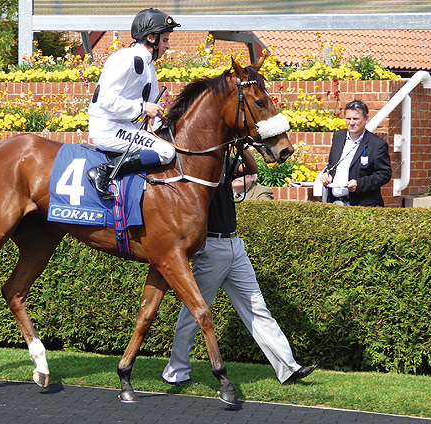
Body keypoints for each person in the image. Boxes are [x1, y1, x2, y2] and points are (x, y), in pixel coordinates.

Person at [162, 150, 317, 387]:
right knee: (194, 312)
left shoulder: (224, 158)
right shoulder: (197, 164)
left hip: (235, 245)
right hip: (211, 247)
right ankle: (176, 371)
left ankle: (288, 367)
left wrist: (241, 146)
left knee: (257, 307)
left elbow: (252, 169)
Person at [86, 8, 180, 199]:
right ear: (151, 38)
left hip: (124, 126)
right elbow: (106, 99)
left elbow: (152, 109)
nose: (168, 46)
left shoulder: (147, 63)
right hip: (108, 129)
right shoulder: (126, 59)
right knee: (166, 151)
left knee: (170, 141)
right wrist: (143, 107)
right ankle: (103, 171)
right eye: (165, 40)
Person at [320, 99, 392, 206]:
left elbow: (384, 174)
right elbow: (332, 164)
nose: (351, 123)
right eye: (348, 118)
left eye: (356, 119)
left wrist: (359, 184)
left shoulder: (377, 144)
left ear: (366, 119)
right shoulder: (338, 137)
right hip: (335, 203)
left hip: (362, 205)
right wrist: (327, 174)